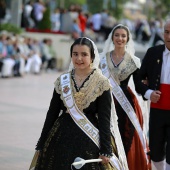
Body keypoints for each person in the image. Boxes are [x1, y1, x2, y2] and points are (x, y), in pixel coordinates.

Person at [32, 37, 129, 170]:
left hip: (89, 140)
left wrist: (106, 149)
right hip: (61, 137)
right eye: (75, 54)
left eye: (84, 54)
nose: (79, 59)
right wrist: (42, 142)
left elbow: (105, 119)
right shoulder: (62, 81)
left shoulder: (101, 83)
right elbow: (52, 114)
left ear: (92, 57)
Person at [99, 24, 150, 170]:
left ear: (127, 39)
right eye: (117, 35)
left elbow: (138, 84)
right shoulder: (102, 59)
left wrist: (149, 89)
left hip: (125, 104)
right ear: (112, 37)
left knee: (124, 137)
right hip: (105, 102)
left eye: (123, 36)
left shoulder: (133, 61)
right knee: (105, 136)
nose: (120, 38)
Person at [138, 20, 170, 170]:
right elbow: (138, 78)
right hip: (157, 110)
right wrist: (149, 92)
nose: (169, 36)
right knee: (156, 151)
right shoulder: (153, 53)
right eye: (167, 32)